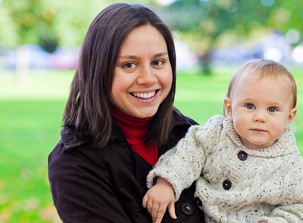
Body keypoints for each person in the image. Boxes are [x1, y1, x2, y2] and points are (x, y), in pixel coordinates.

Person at [48, 3, 205, 223]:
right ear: (98, 70)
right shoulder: (74, 163)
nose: (148, 78)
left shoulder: (191, 135)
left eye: (158, 62)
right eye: (129, 65)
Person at [143, 59, 303, 223]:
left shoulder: (296, 172)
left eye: (272, 109)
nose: (260, 117)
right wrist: (167, 183)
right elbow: (188, 155)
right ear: (230, 108)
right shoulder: (215, 135)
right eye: (249, 106)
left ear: (289, 116)